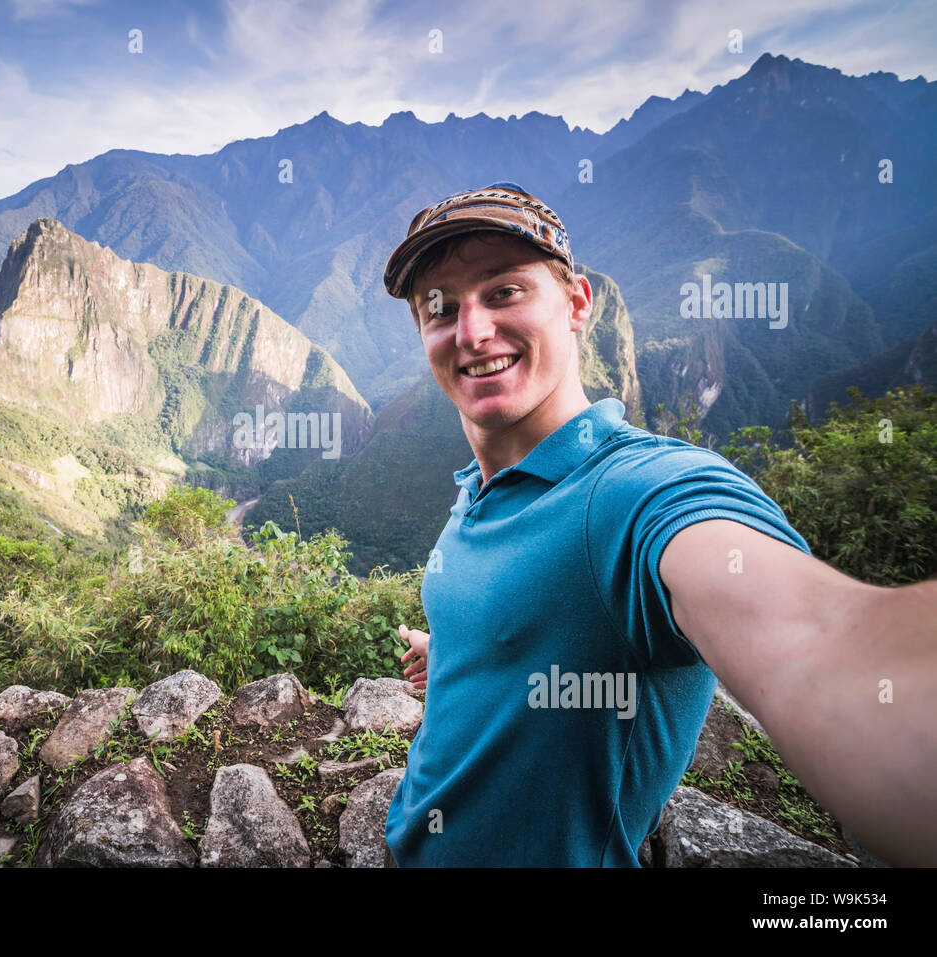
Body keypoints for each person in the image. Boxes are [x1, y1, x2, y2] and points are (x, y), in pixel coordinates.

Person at [378, 181, 937, 867]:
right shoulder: (482, 485)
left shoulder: (640, 494)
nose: (471, 330)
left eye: (504, 291)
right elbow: (541, 614)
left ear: (578, 303)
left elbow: (818, 634)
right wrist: (465, 655)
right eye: (442, 307)